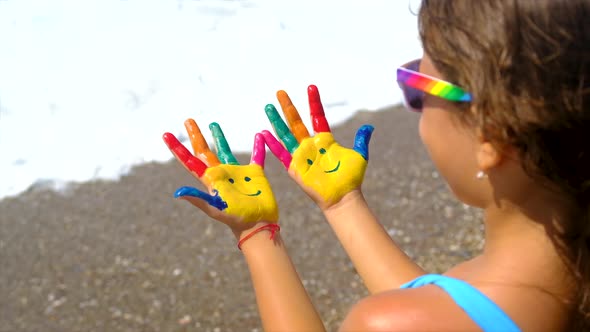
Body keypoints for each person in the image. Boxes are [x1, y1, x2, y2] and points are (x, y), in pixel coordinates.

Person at [162, 0, 589, 330]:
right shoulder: (564, 278)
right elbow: (444, 304)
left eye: (418, 88)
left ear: (489, 136)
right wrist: (343, 204)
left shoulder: (387, 324)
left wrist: (255, 235)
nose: (415, 108)